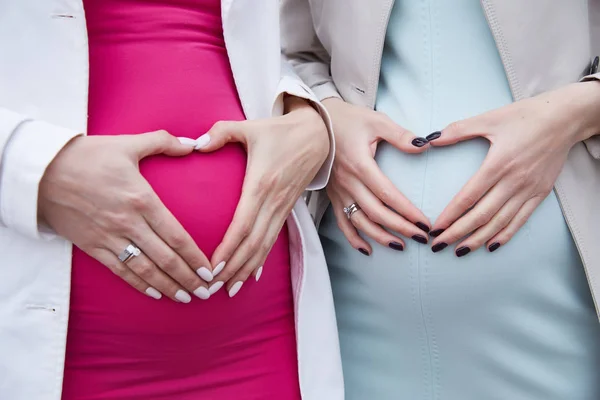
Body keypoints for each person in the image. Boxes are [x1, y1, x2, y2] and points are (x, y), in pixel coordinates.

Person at [0, 0, 344, 399]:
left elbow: (279, 43)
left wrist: (305, 117)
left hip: (262, 345)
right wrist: (29, 165)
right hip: (72, 354)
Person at [282, 0, 600, 399]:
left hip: (559, 311)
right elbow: (279, 46)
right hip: (356, 312)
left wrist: (575, 113)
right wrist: (325, 114)